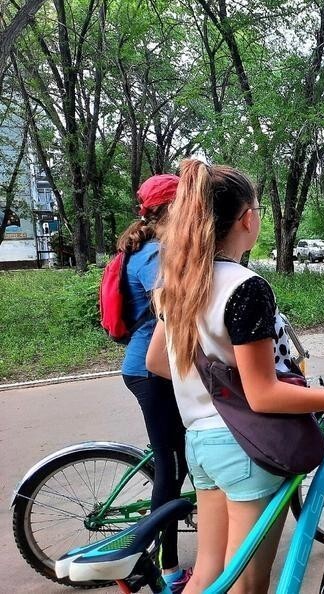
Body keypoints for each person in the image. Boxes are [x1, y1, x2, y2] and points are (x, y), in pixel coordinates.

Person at [146, 159, 324, 594]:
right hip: (245, 446)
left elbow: (158, 362)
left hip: (202, 444)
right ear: (248, 218)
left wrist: (217, 385)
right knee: (247, 586)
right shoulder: (243, 286)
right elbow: (264, 395)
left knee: (209, 574)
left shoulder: (179, 281)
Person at [119, 174, 190, 592]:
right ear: (169, 210)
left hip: (156, 368)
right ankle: (163, 568)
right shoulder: (153, 253)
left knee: (181, 455)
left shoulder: (155, 248)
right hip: (152, 370)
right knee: (172, 466)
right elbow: (170, 305)